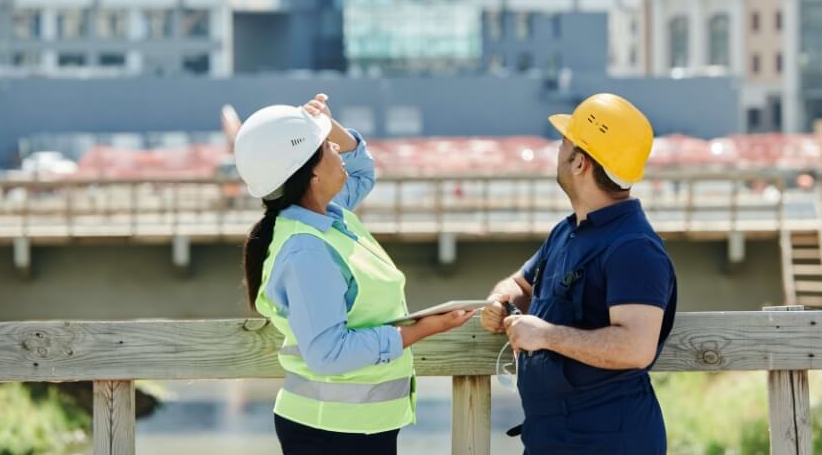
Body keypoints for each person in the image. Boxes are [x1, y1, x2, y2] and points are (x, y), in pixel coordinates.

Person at [235, 94, 474, 455]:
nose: (336, 147)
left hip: (355, 427)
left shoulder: (332, 216)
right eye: (326, 146)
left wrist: (329, 126)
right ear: (312, 172)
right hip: (330, 432)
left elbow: (362, 169)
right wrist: (423, 329)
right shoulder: (307, 249)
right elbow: (328, 354)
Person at [480, 93, 677, 454]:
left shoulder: (633, 247)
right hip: (552, 439)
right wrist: (501, 301)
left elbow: (635, 347)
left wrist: (547, 336)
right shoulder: (567, 231)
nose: (558, 151)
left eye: (564, 143)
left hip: (609, 443)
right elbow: (519, 283)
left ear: (580, 163)